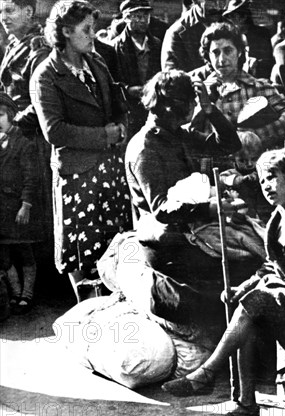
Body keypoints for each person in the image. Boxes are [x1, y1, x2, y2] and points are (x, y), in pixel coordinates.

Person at [162, 149, 285, 416]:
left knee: (257, 301)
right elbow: (270, 266)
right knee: (248, 302)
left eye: (272, 178)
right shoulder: (276, 220)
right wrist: (241, 287)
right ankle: (245, 404)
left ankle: (208, 375)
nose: (266, 186)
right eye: (262, 180)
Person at [31, 0, 131, 299]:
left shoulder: (96, 62)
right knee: (80, 252)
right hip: (78, 176)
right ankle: (86, 311)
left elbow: (117, 102)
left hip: (109, 171)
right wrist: (104, 135)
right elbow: (55, 131)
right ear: (65, 31)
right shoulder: (46, 76)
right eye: (87, 29)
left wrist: (122, 126)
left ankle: (114, 311)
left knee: (114, 246)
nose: (93, 34)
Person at [124, 69, 241, 301]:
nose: (194, 106)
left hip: (190, 231)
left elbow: (229, 145)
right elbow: (161, 210)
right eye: (191, 101)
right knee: (230, 281)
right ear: (174, 107)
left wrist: (210, 110)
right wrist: (211, 208)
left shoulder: (177, 134)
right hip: (165, 243)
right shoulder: (145, 148)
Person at [193, 22, 285, 150]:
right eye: (215, 52)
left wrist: (254, 138)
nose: (222, 59)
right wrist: (204, 102)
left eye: (228, 51)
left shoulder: (259, 87)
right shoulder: (199, 92)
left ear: (239, 52)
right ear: (208, 55)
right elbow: (189, 130)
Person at [0, 93, 42, 314]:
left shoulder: (22, 143)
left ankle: (27, 294)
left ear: (12, 115)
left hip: (17, 207)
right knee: (4, 255)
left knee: (25, 249)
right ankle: (15, 293)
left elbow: (30, 177)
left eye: (1, 115)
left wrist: (25, 204)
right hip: (1, 210)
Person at [112, 0, 162, 137]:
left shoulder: (157, 45)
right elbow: (111, 81)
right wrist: (127, 89)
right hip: (128, 111)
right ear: (126, 18)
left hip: (153, 108)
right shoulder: (114, 48)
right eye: (138, 16)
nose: (143, 21)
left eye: (146, 16)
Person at [219, 130, 272, 222]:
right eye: (243, 161)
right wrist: (239, 180)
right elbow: (222, 179)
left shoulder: (262, 170)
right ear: (233, 159)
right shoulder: (232, 173)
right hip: (243, 218)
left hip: (265, 214)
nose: (249, 164)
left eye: (254, 159)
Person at [161, 0, 225, 72]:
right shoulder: (177, 33)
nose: (218, 6)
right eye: (212, 1)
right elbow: (173, 78)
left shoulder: (233, 21)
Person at [222, 0, 274, 80]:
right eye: (230, 17)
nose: (232, 20)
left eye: (234, 16)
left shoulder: (261, 34)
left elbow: (268, 61)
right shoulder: (232, 37)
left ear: (244, 16)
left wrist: (257, 63)